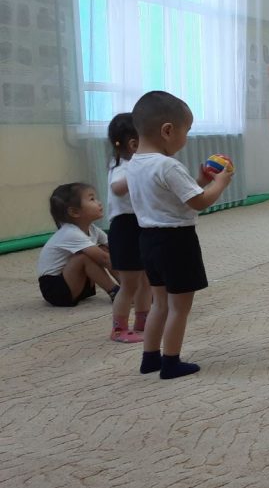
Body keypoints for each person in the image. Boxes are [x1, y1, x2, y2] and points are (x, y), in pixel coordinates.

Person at [126, 91, 233, 379]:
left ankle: (150, 358)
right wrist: (220, 183)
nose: (186, 138)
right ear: (167, 130)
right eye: (186, 131)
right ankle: (171, 362)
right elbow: (199, 202)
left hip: (149, 241)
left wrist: (199, 181)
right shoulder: (168, 165)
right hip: (176, 242)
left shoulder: (135, 164)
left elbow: (172, 196)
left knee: (159, 304)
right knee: (179, 307)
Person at [36, 183, 119, 307]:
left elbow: (114, 249)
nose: (99, 202)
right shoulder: (70, 233)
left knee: (103, 249)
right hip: (55, 289)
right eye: (92, 199)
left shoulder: (93, 229)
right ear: (74, 212)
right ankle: (115, 292)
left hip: (75, 282)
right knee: (85, 256)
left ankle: (128, 288)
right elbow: (104, 259)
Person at [106, 113, 150, 343]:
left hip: (142, 225)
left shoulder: (137, 165)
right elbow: (117, 188)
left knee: (146, 281)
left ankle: (143, 321)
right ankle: (119, 329)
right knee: (129, 284)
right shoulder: (122, 167)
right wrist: (138, 169)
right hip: (125, 228)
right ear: (133, 144)